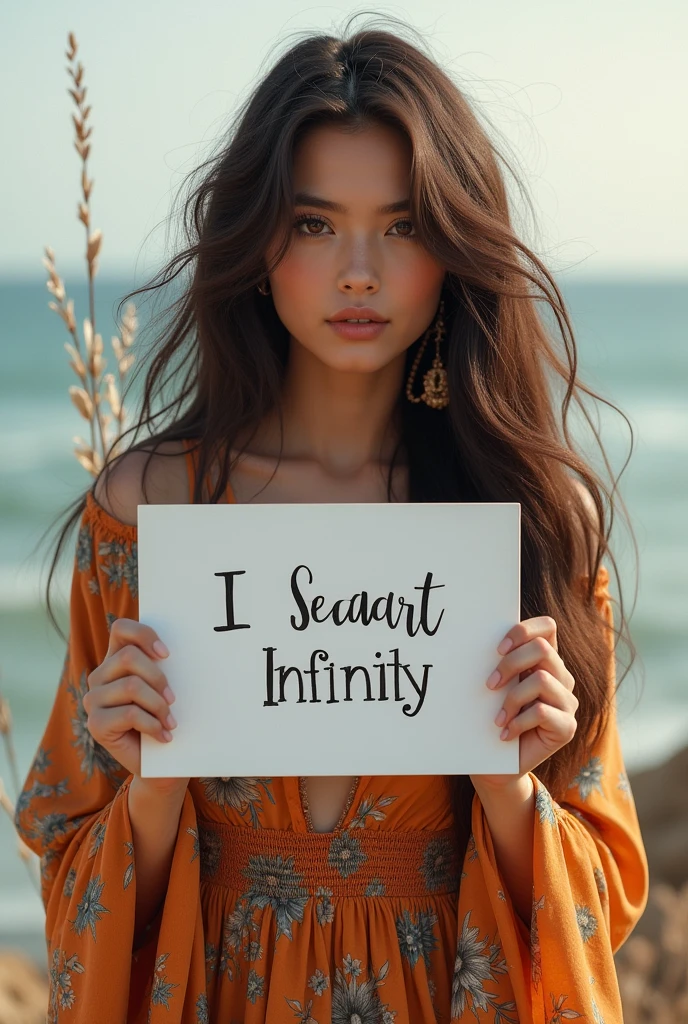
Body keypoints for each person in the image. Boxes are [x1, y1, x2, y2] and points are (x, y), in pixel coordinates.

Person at [15, 17, 649, 1024]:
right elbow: (69, 882)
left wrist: (511, 786)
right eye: (315, 224)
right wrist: (148, 786)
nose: (360, 270)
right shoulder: (152, 511)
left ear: (450, 248)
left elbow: (599, 902)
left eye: (401, 226)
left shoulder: (528, 521)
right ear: (259, 242)